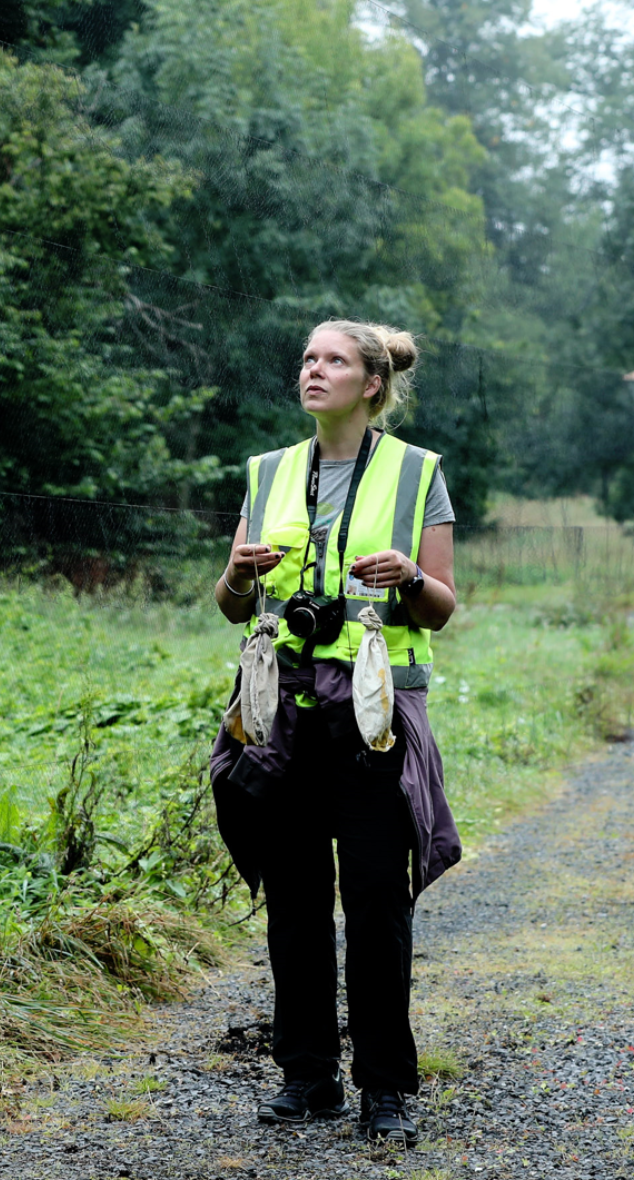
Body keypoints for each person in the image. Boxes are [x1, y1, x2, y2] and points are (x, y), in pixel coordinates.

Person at [208, 320, 462, 1148]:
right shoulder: (269, 471)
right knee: (295, 902)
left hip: (373, 716)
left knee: (379, 899)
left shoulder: (417, 472)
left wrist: (411, 575)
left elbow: (442, 606)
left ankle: (386, 1088)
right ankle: (307, 1078)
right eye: (309, 359)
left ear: (372, 384)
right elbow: (231, 604)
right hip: (284, 714)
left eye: (335, 361)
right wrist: (239, 576)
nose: (314, 370)